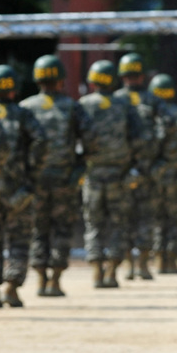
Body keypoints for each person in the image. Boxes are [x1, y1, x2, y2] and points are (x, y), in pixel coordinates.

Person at [21, 54, 93, 297]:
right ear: (61, 79)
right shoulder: (73, 106)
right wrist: (79, 170)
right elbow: (90, 141)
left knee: (38, 229)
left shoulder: (26, 107)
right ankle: (55, 280)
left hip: (36, 181)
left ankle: (41, 279)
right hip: (65, 180)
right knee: (62, 229)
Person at [0, 65, 43, 307]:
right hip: (19, 188)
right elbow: (41, 142)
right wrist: (32, 174)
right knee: (19, 239)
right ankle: (12, 287)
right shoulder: (24, 114)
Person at [79, 59, 136, 288]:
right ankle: (111, 272)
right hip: (119, 176)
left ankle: (95, 272)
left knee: (93, 224)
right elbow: (140, 137)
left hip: (92, 175)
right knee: (117, 223)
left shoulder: (82, 105)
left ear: (92, 81)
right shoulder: (124, 105)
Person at [112, 52, 160, 280]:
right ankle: (138, 265)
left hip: (124, 169)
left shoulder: (115, 100)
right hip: (144, 168)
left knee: (129, 218)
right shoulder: (152, 100)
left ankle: (134, 265)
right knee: (142, 217)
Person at [147, 73, 177, 274]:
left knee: (157, 217)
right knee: (174, 218)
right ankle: (171, 261)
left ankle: (158, 259)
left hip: (155, 175)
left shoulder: (151, 115)